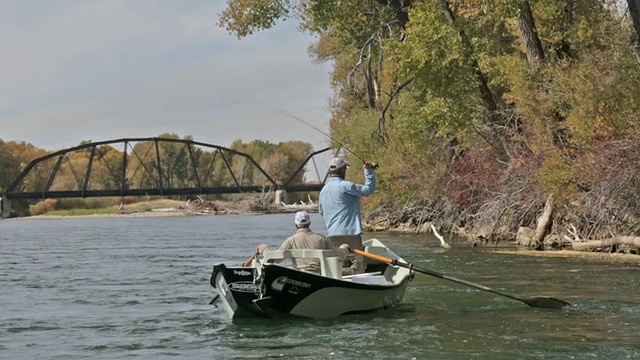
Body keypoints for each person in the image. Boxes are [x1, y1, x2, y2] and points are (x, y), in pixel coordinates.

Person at [252, 211, 350, 274]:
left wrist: (263, 248)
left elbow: (274, 259)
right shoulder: (322, 239)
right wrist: (344, 248)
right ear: (309, 223)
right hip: (320, 276)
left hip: (300, 275)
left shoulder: (290, 241)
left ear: (296, 225)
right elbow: (338, 255)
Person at [318, 157, 376, 251]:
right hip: (350, 235)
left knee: (341, 260)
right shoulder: (346, 186)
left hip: (332, 235)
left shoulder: (323, 191)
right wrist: (368, 171)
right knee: (356, 260)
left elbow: (322, 212)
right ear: (342, 169)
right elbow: (368, 190)